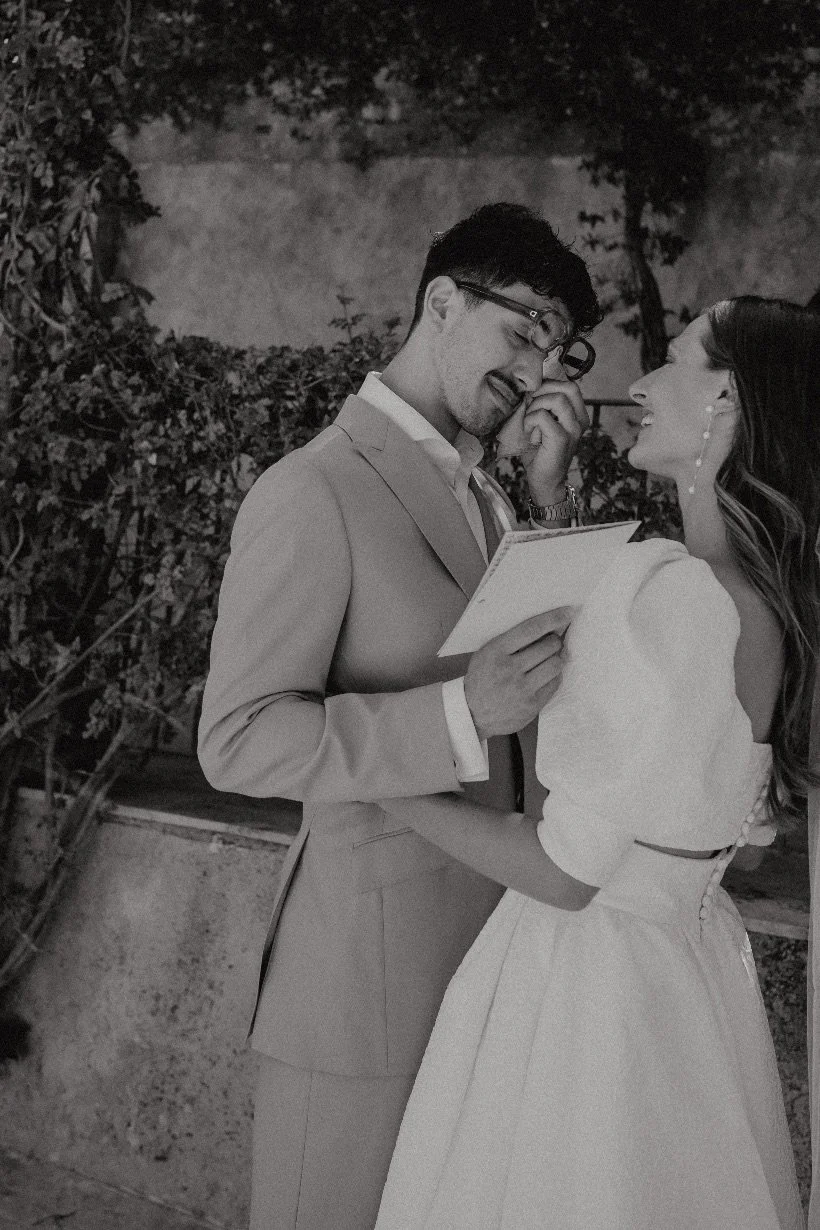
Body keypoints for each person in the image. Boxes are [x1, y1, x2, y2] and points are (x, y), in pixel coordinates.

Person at [197, 202, 602, 1230]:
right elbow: (238, 740)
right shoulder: (313, 489)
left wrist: (552, 505)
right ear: (442, 302)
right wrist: (457, 712)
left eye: (558, 352)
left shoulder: (493, 497)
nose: (536, 371)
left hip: (493, 971)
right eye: (525, 331)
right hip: (361, 996)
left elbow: (547, 687)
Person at [374, 296, 819, 1230]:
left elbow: (566, 871)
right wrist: (551, 499)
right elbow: (624, 758)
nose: (639, 384)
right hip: (682, 974)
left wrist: (379, 780)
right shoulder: (755, 602)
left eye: (675, 360)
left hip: (583, 993)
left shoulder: (677, 597)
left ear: (731, 401)